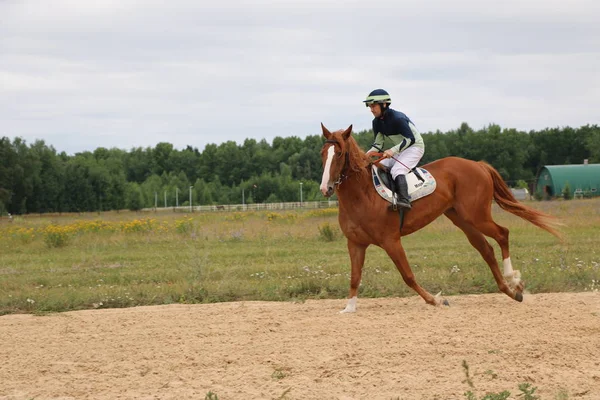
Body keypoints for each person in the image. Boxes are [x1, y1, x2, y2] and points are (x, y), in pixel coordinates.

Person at [363, 88, 425, 210]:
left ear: (384, 104)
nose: (371, 109)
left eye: (374, 106)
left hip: (415, 147)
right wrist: (365, 156)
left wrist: (392, 150)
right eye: (370, 106)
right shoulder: (376, 122)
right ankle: (389, 196)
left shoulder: (398, 118)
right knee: (377, 166)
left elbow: (410, 139)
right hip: (401, 150)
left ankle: (404, 200)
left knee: (397, 170)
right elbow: (378, 145)